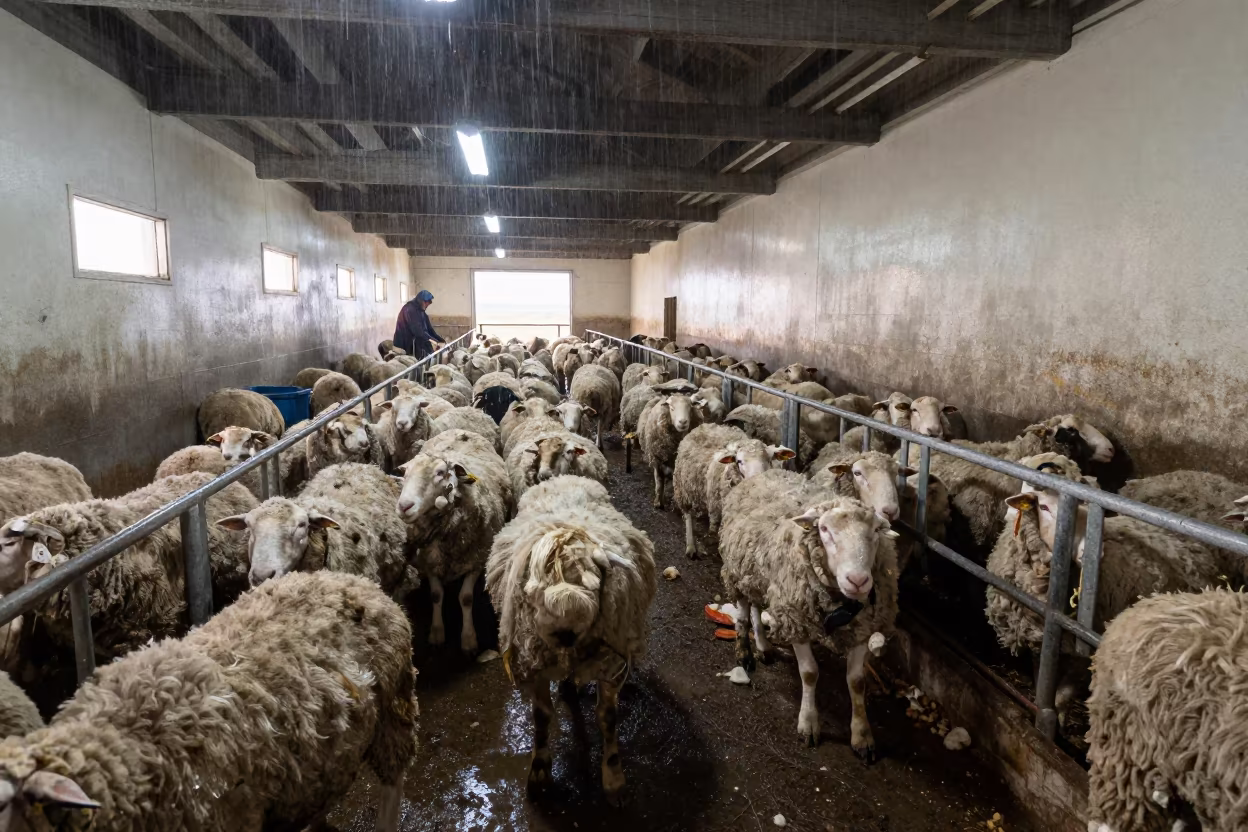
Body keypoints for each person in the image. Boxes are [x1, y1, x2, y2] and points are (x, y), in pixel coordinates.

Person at [393, 289, 444, 359]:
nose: (427, 305)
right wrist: (434, 341)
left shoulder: (422, 312)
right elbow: (418, 332)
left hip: (413, 347)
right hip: (403, 347)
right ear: (421, 301)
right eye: (426, 303)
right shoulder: (409, 309)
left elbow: (430, 330)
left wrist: (440, 340)